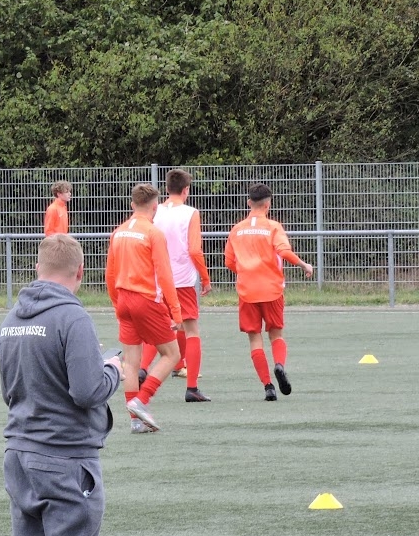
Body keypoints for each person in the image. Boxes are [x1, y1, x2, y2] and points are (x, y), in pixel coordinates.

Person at [0, 234, 123, 536]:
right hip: (66, 457)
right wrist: (114, 369)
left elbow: (11, 388)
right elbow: (88, 390)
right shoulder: (73, 317)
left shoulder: (10, 320)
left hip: (20, 453)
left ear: (37, 266)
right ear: (80, 272)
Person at [223, 183, 313, 401]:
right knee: (276, 334)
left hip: (247, 291)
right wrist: (304, 265)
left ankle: (268, 387)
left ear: (249, 203)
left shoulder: (237, 229)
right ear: (268, 205)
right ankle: (279, 366)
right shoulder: (273, 226)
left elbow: (229, 262)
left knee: (255, 340)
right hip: (272, 289)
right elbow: (283, 251)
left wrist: (245, 271)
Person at [106, 183, 183, 432]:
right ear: (155, 207)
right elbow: (165, 274)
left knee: (131, 361)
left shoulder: (118, 232)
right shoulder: (152, 233)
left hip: (123, 299)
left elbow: (110, 274)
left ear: (132, 205)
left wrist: (117, 303)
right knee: (172, 354)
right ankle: (142, 400)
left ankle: (135, 421)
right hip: (145, 300)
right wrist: (176, 312)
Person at [138, 169, 212, 402]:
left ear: (167, 188)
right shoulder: (191, 213)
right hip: (182, 280)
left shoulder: (155, 211)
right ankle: (192, 388)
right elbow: (194, 249)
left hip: (159, 279)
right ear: (186, 190)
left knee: (160, 328)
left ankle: (142, 368)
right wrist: (205, 277)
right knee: (191, 330)